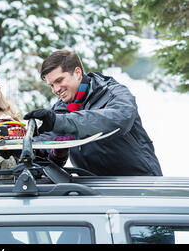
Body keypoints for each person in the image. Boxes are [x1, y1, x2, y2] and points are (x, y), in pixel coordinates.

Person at [24, 50, 163, 176]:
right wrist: (22, 147)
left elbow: (120, 118)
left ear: (77, 73)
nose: (56, 89)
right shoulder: (62, 109)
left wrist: (60, 122)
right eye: (51, 85)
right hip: (96, 188)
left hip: (140, 183)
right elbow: (46, 141)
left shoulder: (113, 92)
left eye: (59, 81)